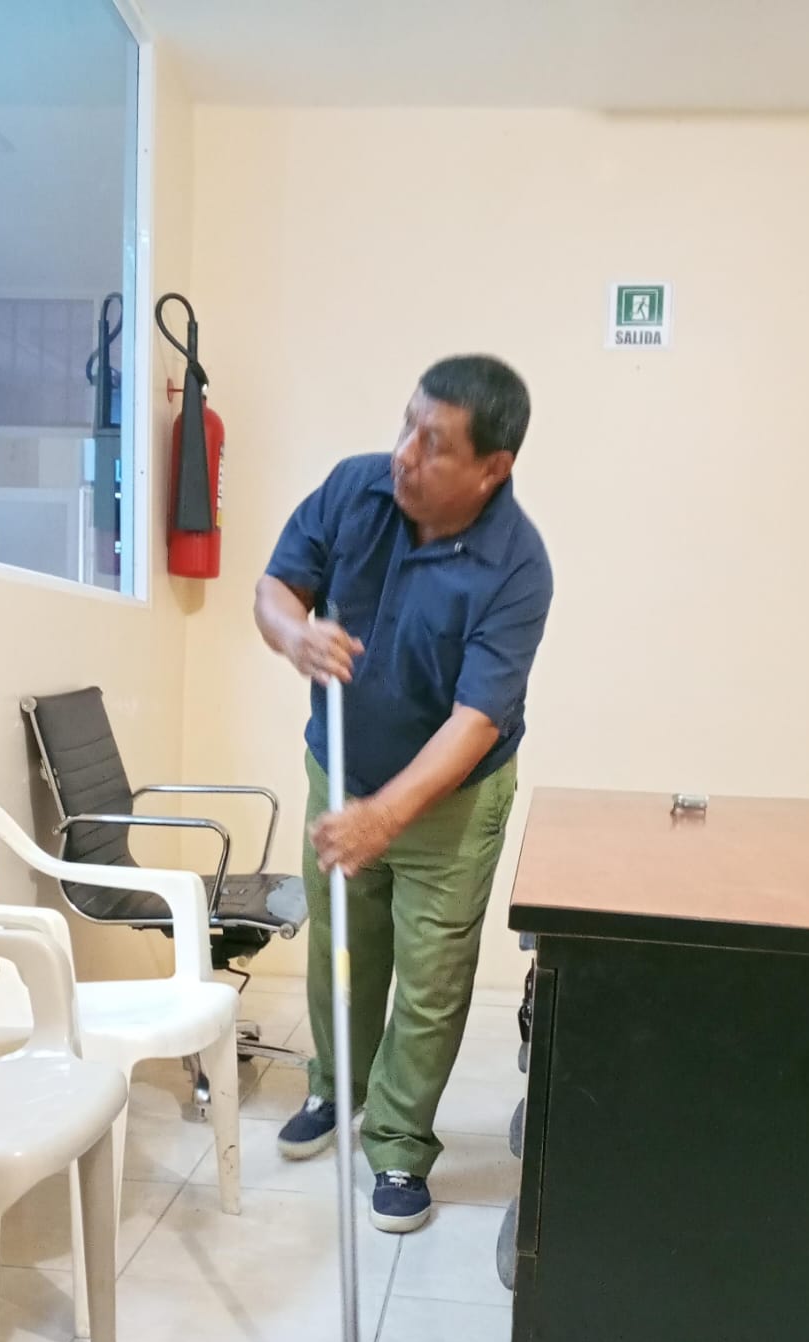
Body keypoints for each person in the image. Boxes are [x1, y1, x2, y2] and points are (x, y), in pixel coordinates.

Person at [254, 354, 553, 1233]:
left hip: (450, 803)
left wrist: (386, 817)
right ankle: (335, 1086)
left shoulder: (516, 568)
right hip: (340, 769)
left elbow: (476, 721)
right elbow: (275, 588)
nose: (405, 454)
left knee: (430, 982)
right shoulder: (357, 489)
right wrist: (293, 635)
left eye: (434, 442)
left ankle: (397, 1141)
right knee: (341, 951)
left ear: (492, 467)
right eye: (406, 425)